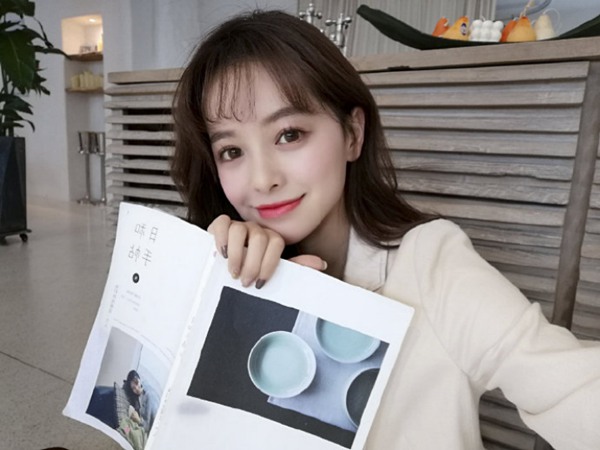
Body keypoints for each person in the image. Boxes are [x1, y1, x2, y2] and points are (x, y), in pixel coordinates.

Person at [171, 9, 600, 449]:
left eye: (289, 134)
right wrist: (227, 292)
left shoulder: (430, 265)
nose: (262, 180)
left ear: (352, 134)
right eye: (231, 151)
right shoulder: (218, 276)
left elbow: (571, 387)